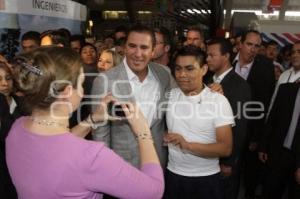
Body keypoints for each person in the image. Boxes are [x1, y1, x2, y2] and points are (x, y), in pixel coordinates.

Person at [6, 46, 164, 199]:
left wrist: (93, 119)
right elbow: (153, 191)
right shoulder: (91, 157)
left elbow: (57, 147)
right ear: (67, 92)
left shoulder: (18, 128)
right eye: (81, 84)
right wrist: (143, 133)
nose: (82, 91)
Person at [91, 24, 172, 168]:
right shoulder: (105, 80)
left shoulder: (164, 74)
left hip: (157, 160)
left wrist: (210, 91)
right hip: (121, 164)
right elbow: (100, 131)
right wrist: (106, 166)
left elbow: (179, 99)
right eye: (132, 46)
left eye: (144, 47)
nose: (138, 53)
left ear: (153, 51)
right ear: (124, 48)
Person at [164, 45, 234, 199]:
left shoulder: (218, 101)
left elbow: (225, 148)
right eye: (178, 69)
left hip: (206, 179)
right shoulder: (169, 96)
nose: (182, 74)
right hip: (173, 175)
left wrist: (187, 145)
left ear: (203, 69)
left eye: (189, 69)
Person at [232, 30, 275, 199]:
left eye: (257, 46)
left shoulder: (265, 66)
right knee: (227, 170)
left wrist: (257, 137)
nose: (253, 49)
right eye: (249, 44)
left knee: (250, 172)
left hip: (251, 129)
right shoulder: (228, 61)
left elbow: (264, 103)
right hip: (226, 127)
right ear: (240, 44)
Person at [206, 38, 251, 199]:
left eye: (212, 55)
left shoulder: (239, 85)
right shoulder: (208, 80)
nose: (207, 59)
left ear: (225, 56)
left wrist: (229, 162)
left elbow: (239, 127)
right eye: (207, 55)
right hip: (209, 155)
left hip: (225, 158)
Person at [259, 83, 300, 199]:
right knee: (270, 191)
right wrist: (263, 146)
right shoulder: (285, 89)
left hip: (297, 159)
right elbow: (273, 118)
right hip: (278, 153)